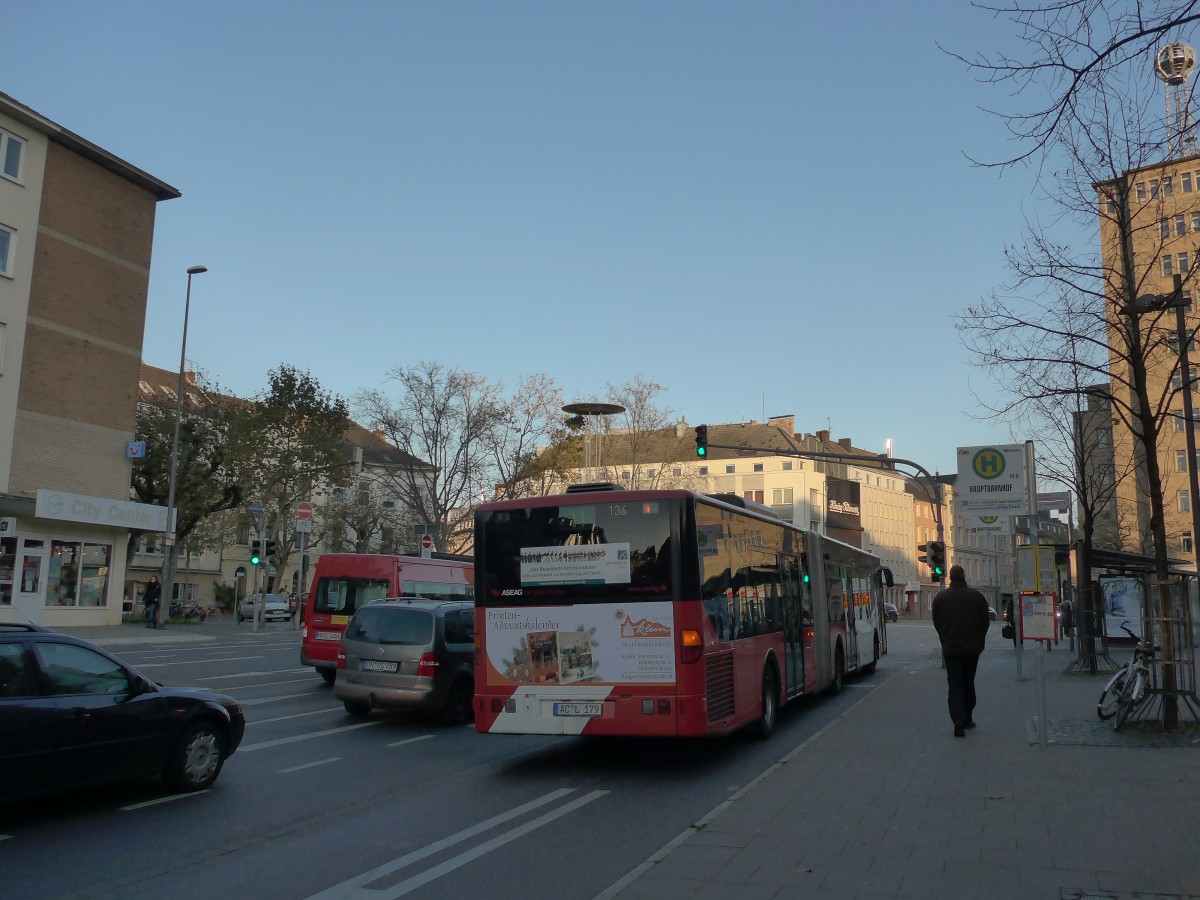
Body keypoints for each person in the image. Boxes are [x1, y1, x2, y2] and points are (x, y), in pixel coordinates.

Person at [932, 565, 991, 737]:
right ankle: (967, 717)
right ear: (964, 576)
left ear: (950, 577)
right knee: (968, 682)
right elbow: (985, 622)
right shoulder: (977, 597)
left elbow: (937, 622)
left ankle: (957, 718)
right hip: (972, 649)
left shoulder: (940, 598)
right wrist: (979, 640)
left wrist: (945, 638)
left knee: (955, 684)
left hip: (951, 649)